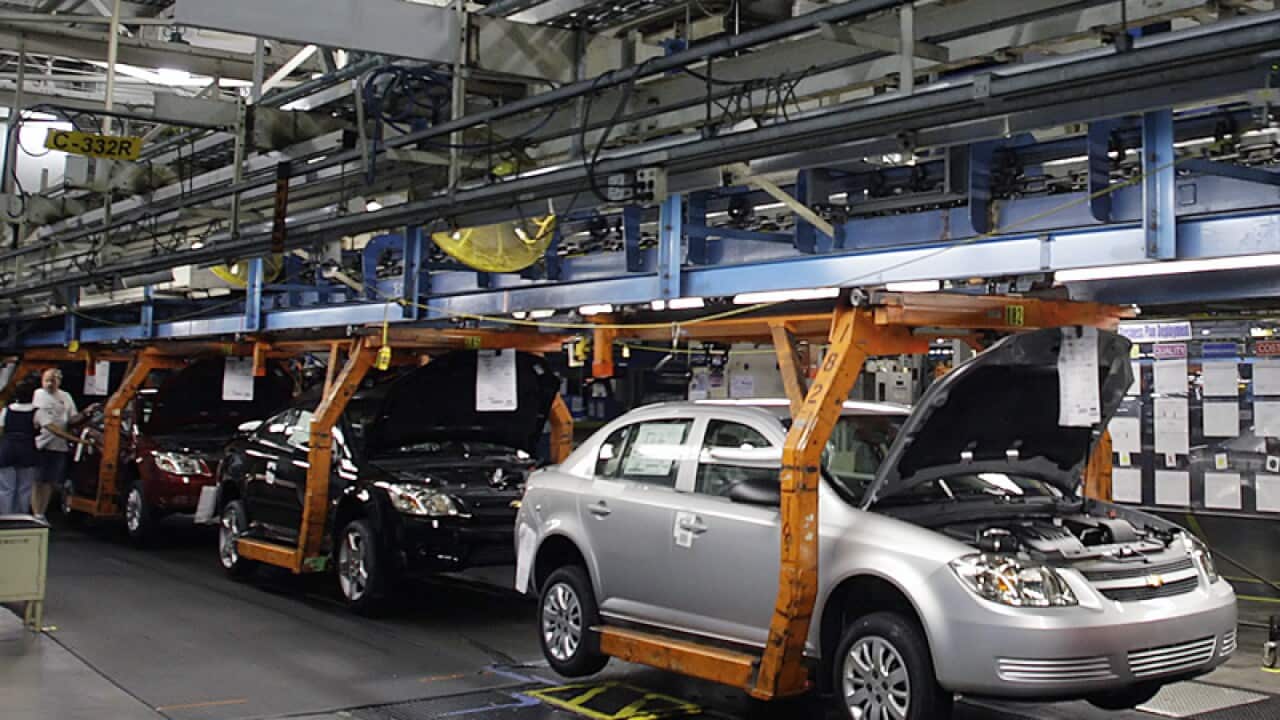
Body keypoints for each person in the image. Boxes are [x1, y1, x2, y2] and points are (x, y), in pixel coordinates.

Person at [32, 368, 95, 521]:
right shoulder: (38, 394)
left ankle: (41, 513)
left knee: (49, 481)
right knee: (37, 480)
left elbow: (72, 419)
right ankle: (34, 513)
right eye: (46, 379)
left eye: (53, 380)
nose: (49, 383)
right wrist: (78, 441)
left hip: (59, 446)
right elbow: (49, 425)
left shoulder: (65, 397)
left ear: (59, 381)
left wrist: (86, 413)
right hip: (40, 444)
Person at [0, 379, 41, 515]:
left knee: (6, 487)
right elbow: (45, 427)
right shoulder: (36, 412)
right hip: (27, 450)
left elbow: (1, 429)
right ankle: (21, 516)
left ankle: (5, 516)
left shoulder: (7, 410)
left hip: (7, 449)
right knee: (24, 487)